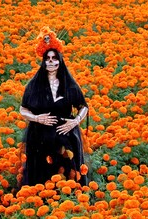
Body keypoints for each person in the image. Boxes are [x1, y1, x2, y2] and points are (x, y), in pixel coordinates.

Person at [19, 26, 89, 186]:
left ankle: (69, 198)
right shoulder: (34, 85)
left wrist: (76, 121)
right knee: (41, 171)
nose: (51, 62)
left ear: (60, 60)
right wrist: (36, 118)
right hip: (39, 136)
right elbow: (23, 109)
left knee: (68, 168)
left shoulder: (69, 85)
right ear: (43, 62)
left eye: (54, 58)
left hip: (66, 134)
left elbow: (83, 106)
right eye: (47, 59)